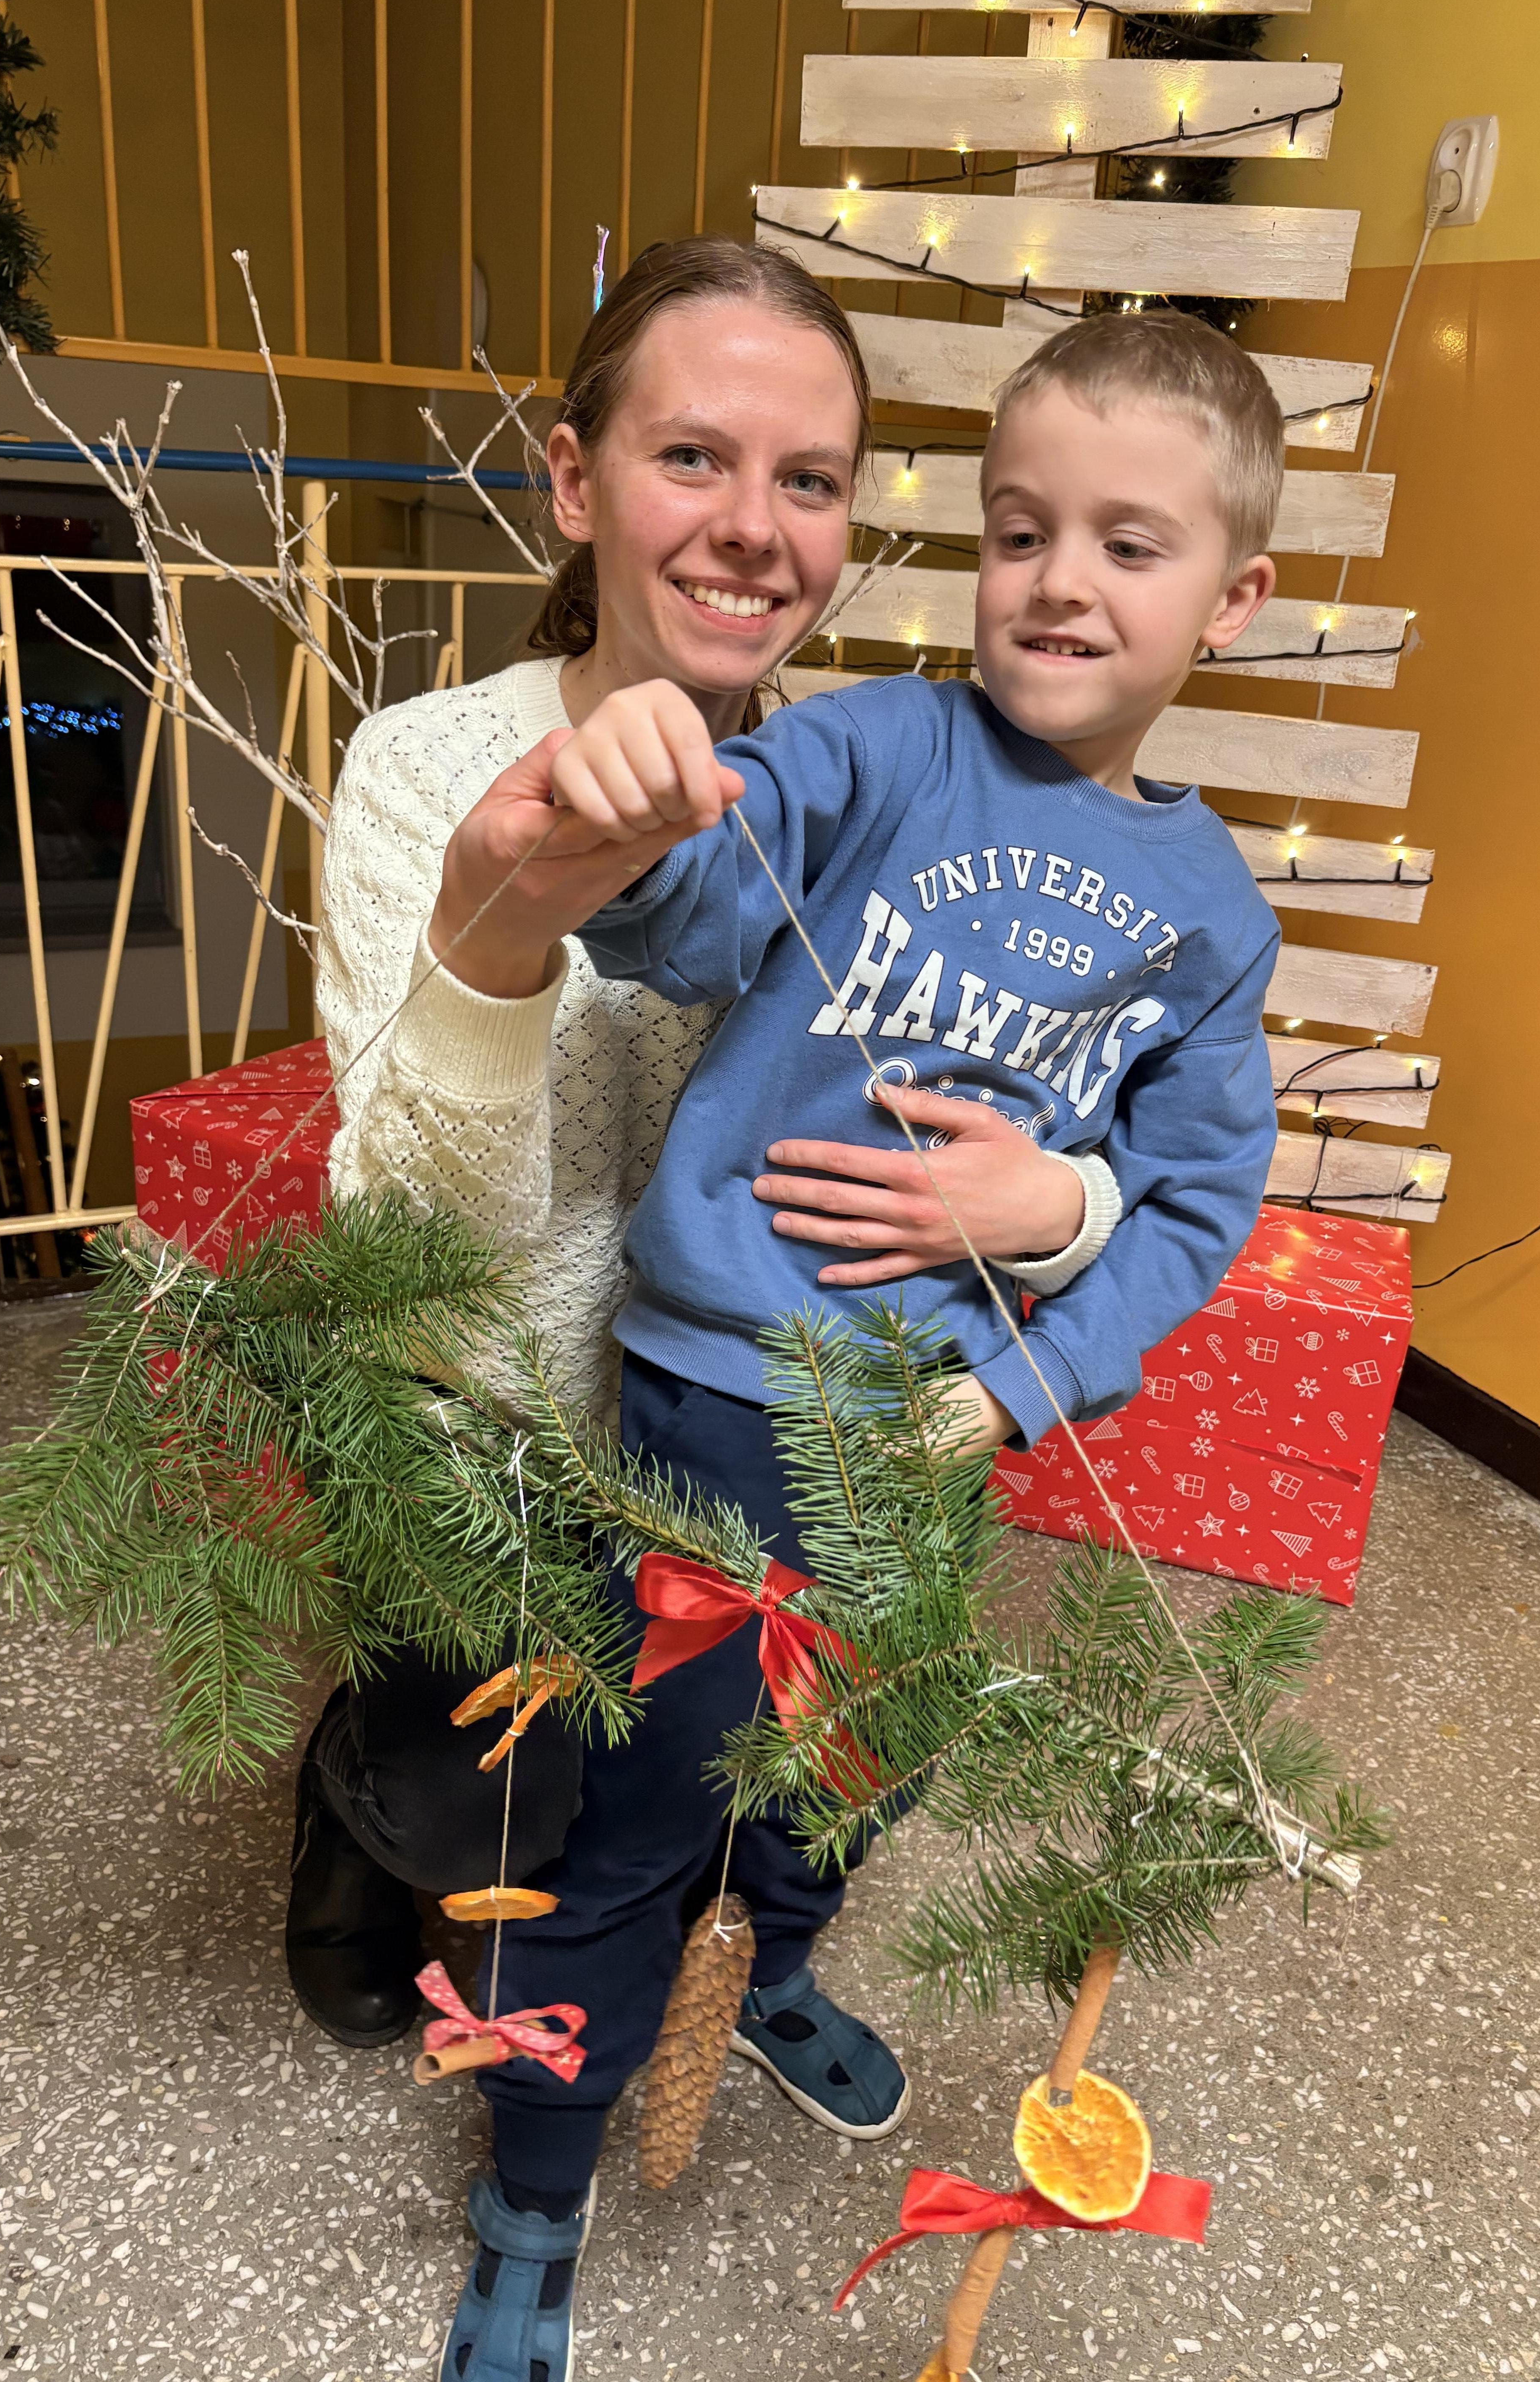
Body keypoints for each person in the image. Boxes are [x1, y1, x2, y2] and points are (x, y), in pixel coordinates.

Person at [297, 239, 1121, 2378]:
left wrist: (1061, 1210)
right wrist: (496, 932)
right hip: (526, 1463)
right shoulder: (432, 770)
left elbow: (1083, 1095)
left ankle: (769, 1958)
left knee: (844, 1755)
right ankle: (495, 2094)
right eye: (692, 457)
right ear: (577, 485)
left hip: (805, 1445)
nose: (756, 526)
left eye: (810, 479)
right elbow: (415, 1238)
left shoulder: (895, 795)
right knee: (551, 1835)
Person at [445, 305, 1287, 2378]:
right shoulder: (866, 751)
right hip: (722, 1399)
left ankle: (775, 1966)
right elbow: (686, 917)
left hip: (935, 1434)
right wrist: (640, 798)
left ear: (1236, 599)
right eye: (1018, 530)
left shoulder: (1212, 911)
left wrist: (1020, 1377)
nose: (1060, 582)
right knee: (646, 1811)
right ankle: (536, 2184)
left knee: (861, 1758)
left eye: (1129, 546)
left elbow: (1194, 1202)